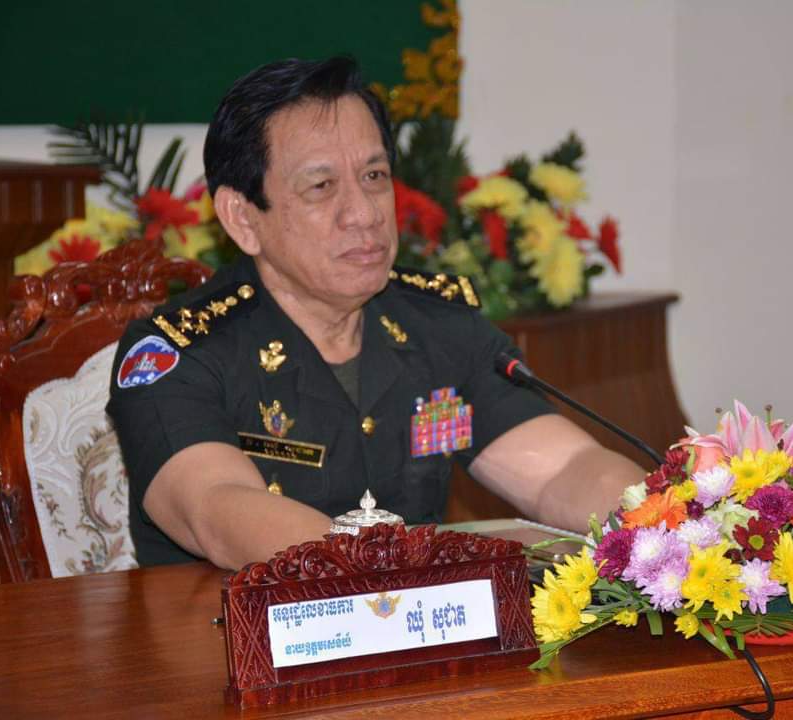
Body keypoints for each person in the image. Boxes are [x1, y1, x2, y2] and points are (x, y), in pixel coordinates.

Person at [107, 57, 646, 569]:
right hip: (235, 633)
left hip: (421, 621)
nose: (364, 214)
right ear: (243, 218)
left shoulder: (438, 330)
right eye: (321, 186)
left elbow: (562, 470)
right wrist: (397, 572)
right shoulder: (179, 352)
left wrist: (659, 524)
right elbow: (217, 509)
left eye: (374, 176)